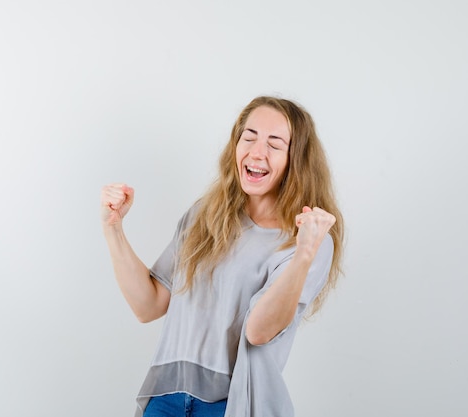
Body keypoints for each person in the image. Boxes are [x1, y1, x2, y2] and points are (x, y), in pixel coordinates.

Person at [100, 96, 344, 417]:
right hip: (167, 397)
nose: (257, 151)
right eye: (250, 136)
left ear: (295, 160)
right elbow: (149, 305)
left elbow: (258, 332)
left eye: (275, 143)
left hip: (233, 405)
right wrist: (113, 228)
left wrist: (304, 254)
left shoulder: (308, 240)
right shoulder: (206, 215)